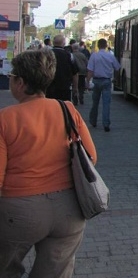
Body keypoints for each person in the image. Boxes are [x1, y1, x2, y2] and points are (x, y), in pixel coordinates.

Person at [0, 49, 97, 277]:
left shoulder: (5, 118)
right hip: (69, 211)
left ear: (21, 83)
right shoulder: (67, 110)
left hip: (19, 211)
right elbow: (91, 157)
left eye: (11, 77)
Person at [86, 38, 121, 132]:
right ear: (106, 45)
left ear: (98, 45)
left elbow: (90, 70)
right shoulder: (110, 56)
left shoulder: (94, 56)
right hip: (106, 81)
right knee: (106, 103)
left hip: (96, 81)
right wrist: (116, 79)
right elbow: (117, 68)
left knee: (95, 103)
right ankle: (106, 124)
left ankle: (93, 121)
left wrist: (87, 82)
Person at [46, 34, 79, 101]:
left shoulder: (46, 54)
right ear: (63, 43)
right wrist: (75, 88)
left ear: (53, 42)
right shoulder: (69, 55)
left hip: (49, 88)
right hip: (65, 88)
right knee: (64, 108)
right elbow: (75, 73)